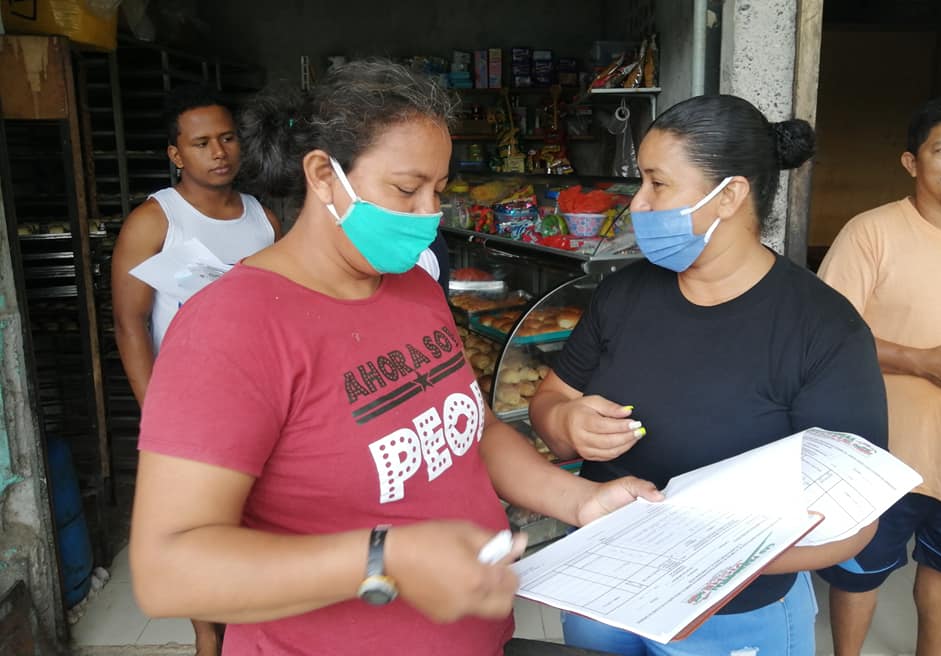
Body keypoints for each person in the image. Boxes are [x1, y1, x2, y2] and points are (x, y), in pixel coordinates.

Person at [128, 59, 661, 656]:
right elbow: (168, 570)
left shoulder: (412, 288)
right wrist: (384, 557)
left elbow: (473, 432)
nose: (428, 214)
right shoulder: (231, 327)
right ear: (323, 176)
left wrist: (582, 502)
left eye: (438, 190)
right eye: (407, 190)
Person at [528, 94, 889, 656]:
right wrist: (566, 422)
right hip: (605, 586)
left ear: (730, 195)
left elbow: (854, 522)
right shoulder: (624, 294)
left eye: (657, 184)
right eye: (641, 182)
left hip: (733, 611)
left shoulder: (822, 328)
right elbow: (549, 401)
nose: (638, 203)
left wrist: (705, 555)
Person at [111, 84, 281, 656]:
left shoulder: (262, 218)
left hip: (262, 403)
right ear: (175, 153)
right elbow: (130, 325)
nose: (219, 152)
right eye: (202, 142)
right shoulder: (155, 221)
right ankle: (209, 641)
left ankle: (259, 630)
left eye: (227, 138)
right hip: (191, 408)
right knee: (199, 534)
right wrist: (156, 413)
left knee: (260, 524)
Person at [816, 94, 941, 656]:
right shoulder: (871, 233)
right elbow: (826, 338)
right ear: (911, 162)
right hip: (880, 457)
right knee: (860, 573)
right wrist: (922, 361)